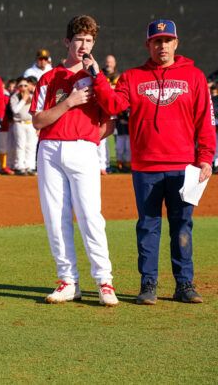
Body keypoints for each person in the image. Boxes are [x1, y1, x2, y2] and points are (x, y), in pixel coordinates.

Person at [92, 19, 216, 304]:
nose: (162, 46)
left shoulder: (194, 76)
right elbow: (113, 105)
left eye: (167, 40)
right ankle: (148, 284)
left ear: (176, 43)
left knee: (182, 226)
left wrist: (206, 158)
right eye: (157, 41)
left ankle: (184, 284)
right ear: (148, 44)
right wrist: (99, 78)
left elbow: (205, 121)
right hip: (146, 166)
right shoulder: (132, 77)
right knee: (148, 225)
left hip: (184, 166)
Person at [30, 15, 118, 306]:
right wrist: (68, 102)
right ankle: (68, 281)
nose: (83, 45)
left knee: (91, 216)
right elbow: (38, 121)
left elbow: (110, 123)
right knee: (56, 218)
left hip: (83, 149)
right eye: (79, 39)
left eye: (89, 40)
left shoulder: (98, 78)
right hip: (50, 149)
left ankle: (104, 281)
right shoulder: (49, 77)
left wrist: (87, 137)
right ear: (67, 42)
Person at [9, 77, 37, 175]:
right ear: (17, 86)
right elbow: (15, 110)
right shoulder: (15, 97)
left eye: (25, 85)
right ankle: (19, 166)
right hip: (19, 123)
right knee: (20, 145)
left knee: (31, 145)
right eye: (21, 85)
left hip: (31, 124)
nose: (23, 87)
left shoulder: (33, 96)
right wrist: (24, 100)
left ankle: (30, 166)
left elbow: (37, 110)